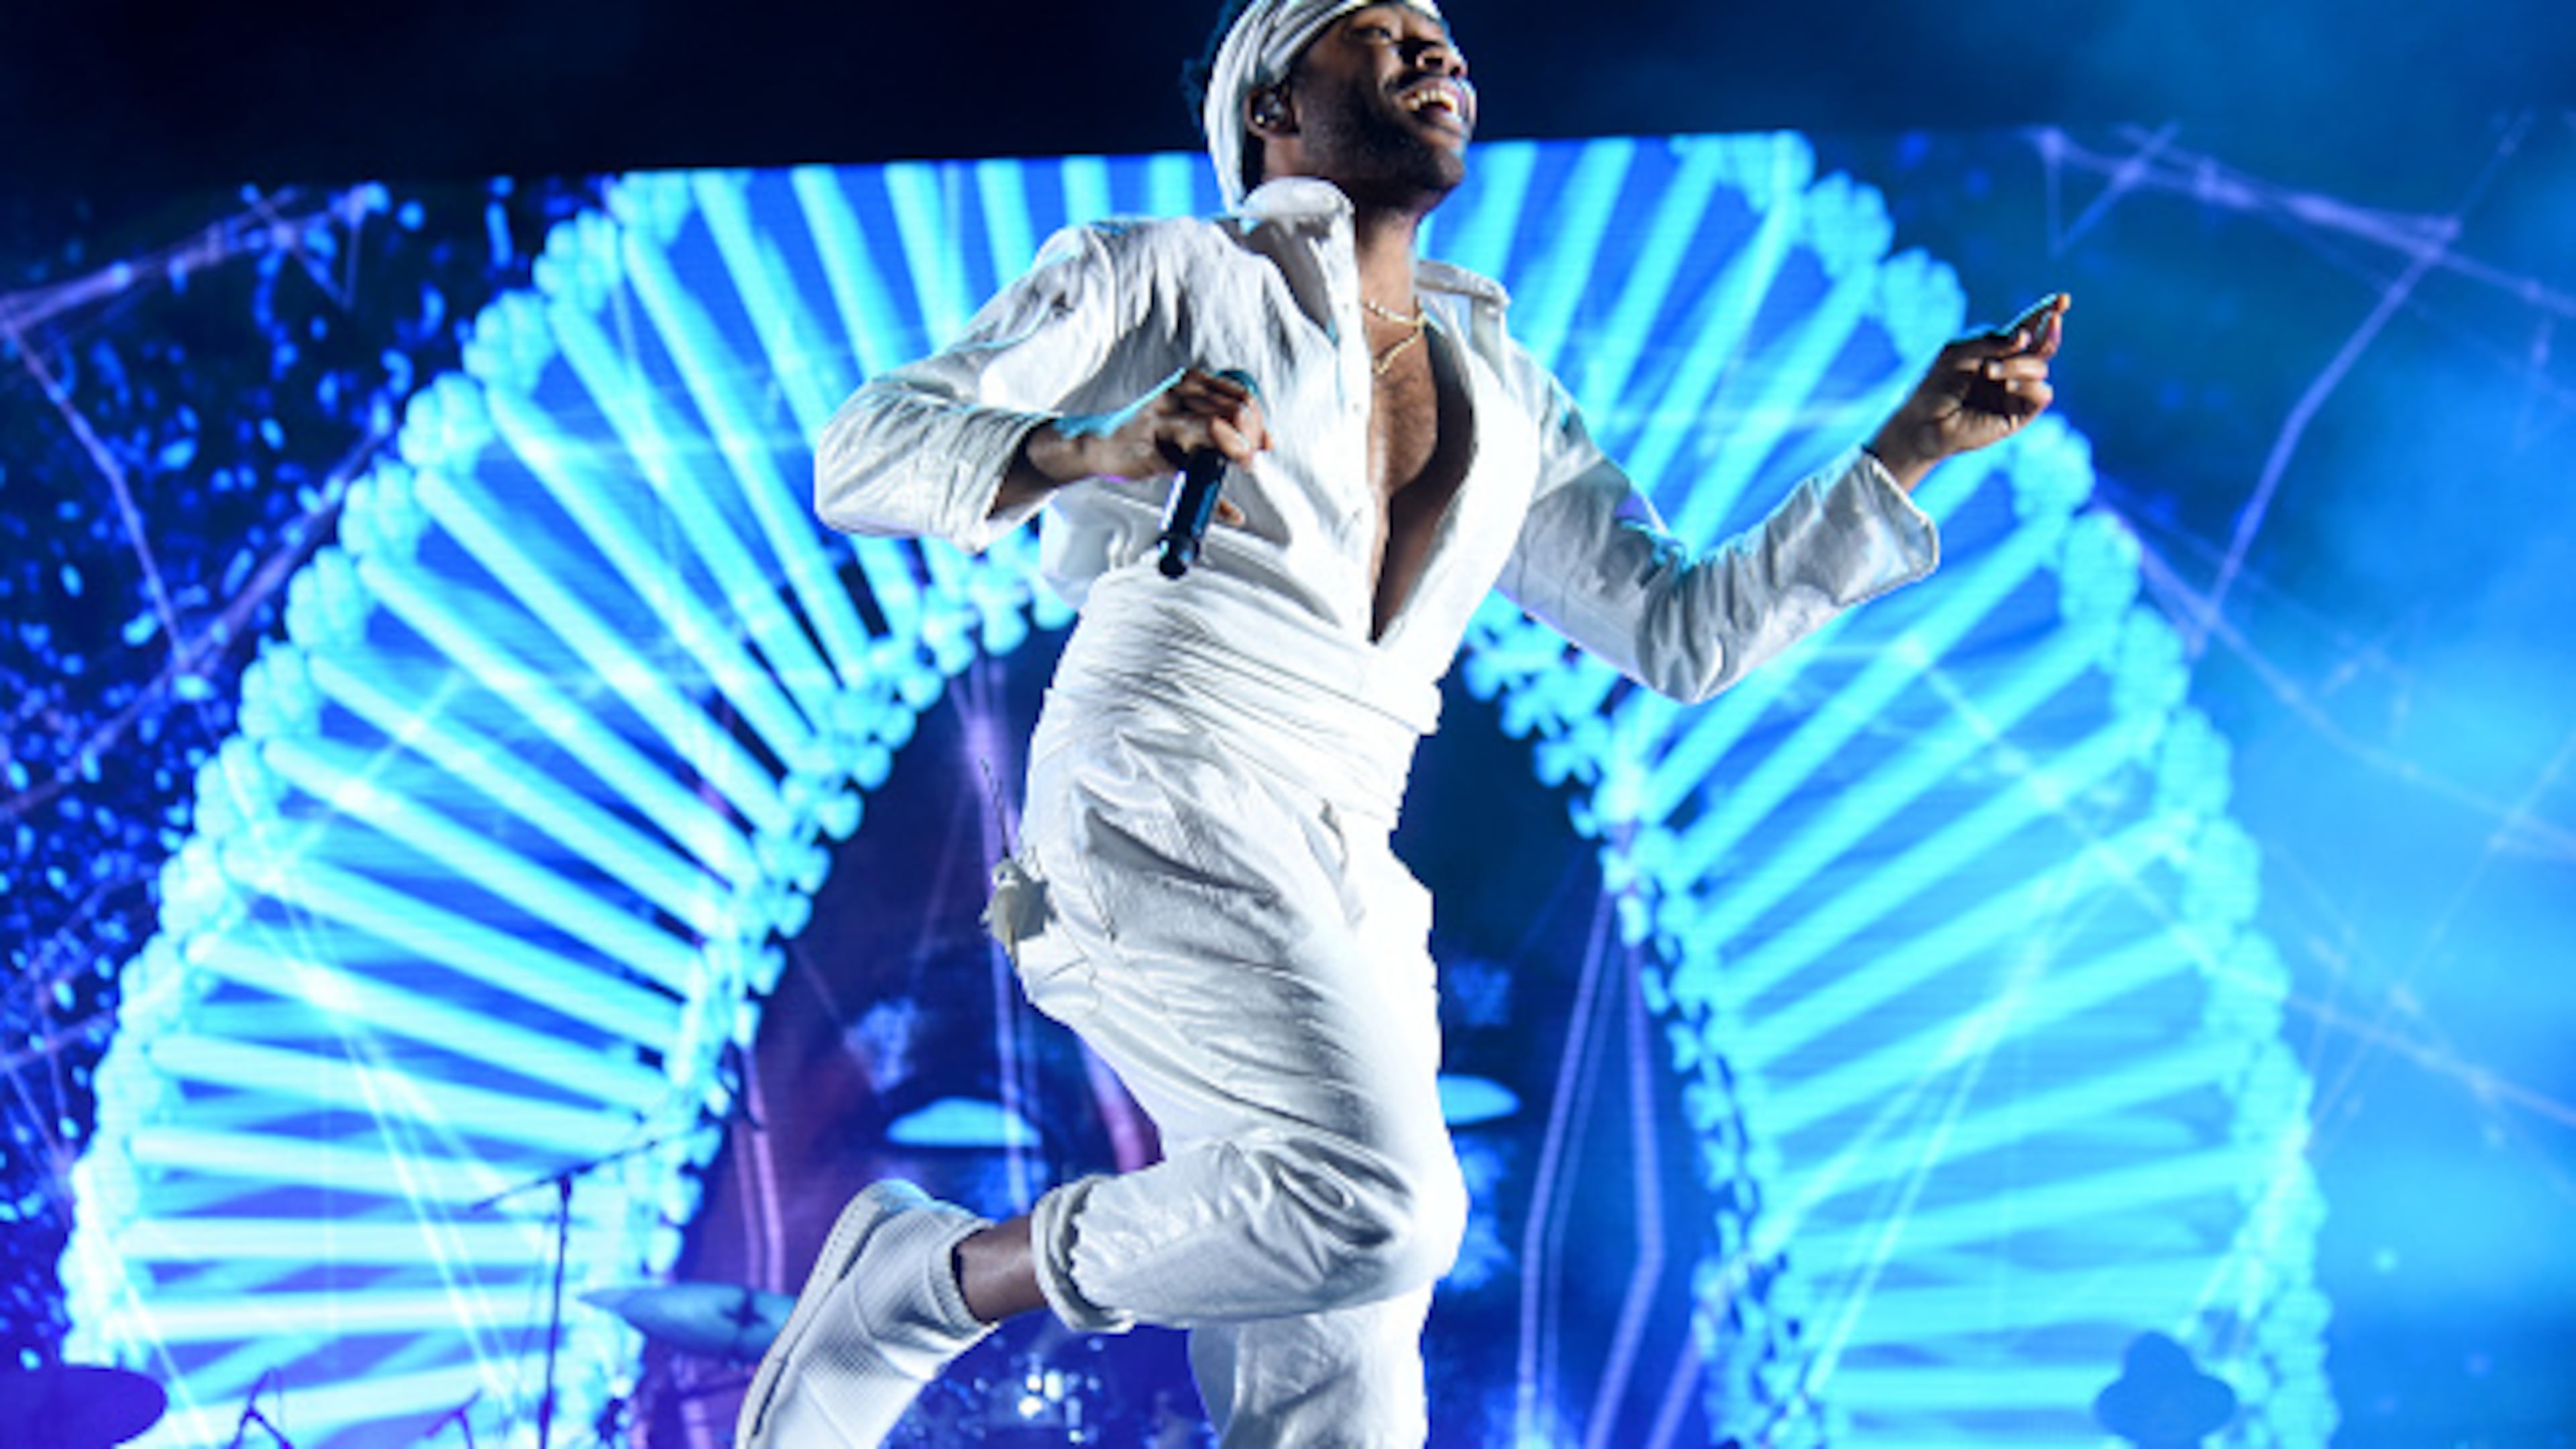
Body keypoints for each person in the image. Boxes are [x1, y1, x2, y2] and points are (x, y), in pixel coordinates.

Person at [738, 1, 2069, 1444]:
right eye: (1375, 30)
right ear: (1273, 110)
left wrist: (1907, 453)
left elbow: (1683, 632)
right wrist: (1100, 446)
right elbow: (862, 454)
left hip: (1349, 854)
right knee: (1383, 1203)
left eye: (1439, 31)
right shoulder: (1164, 276)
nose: (1434, 50)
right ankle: (930, 1282)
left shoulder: (1502, 385)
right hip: (1159, 785)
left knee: (1345, 1403)